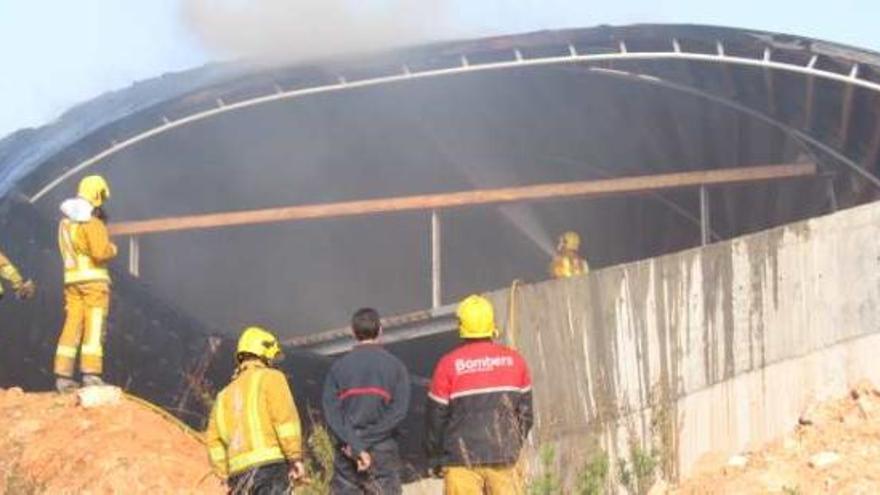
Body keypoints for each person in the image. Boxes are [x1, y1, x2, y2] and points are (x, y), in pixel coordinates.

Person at [426, 295, 533, 495]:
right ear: (492, 324)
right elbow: (526, 416)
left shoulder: (448, 364)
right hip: (504, 459)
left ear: (461, 326)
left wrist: (435, 458)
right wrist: (511, 444)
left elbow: (436, 419)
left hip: (461, 462)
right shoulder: (515, 361)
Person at [206, 326, 306, 494]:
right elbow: (285, 420)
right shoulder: (272, 378)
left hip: (238, 475)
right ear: (263, 353)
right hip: (270, 467)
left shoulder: (223, 396)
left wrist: (223, 473)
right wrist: (295, 458)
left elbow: (213, 441)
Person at [322, 308, 411, 494]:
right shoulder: (396, 367)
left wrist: (356, 444)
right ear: (380, 330)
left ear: (353, 332)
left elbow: (332, 414)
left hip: (348, 453)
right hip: (383, 451)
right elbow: (398, 413)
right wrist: (365, 442)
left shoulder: (338, 368)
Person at [55, 175, 118, 392]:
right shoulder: (93, 223)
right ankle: (91, 374)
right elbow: (100, 252)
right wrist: (113, 249)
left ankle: (63, 375)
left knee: (72, 324)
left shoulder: (64, 224)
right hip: (93, 283)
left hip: (71, 282)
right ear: (97, 196)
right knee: (94, 324)